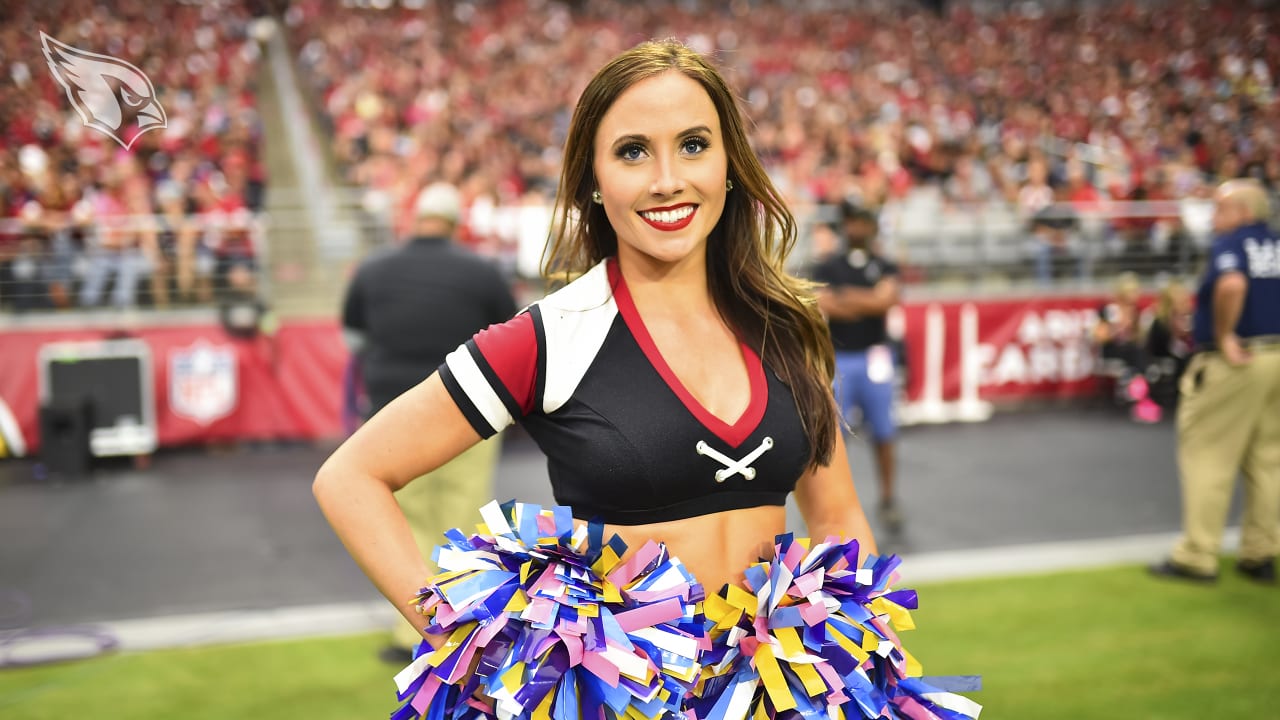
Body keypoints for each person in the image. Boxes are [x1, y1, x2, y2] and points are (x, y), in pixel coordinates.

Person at [314, 39, 889, 715]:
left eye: (695, 144)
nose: (667, 178)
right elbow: (350, 478)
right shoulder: (549, 337)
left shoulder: (785, 328)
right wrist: (467, 647)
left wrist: (863, 662)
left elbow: (839, 514)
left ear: (730, 163)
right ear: (592, 178)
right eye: (633, 151)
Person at [340, 180, 517, 661]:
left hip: (391, 419)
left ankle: (415, 636)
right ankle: (463, 637)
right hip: (469, 417)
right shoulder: (482, 272)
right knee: (460, 522)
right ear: (457, 223)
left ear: (416, 218)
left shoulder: (374, 269)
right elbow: (515, 340)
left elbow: (354, 338)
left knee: (408, 523)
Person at [1151, 179, 1280, 584]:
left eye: (1220, 208)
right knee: (1269, 460)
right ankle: (1260, 553)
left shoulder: (1233, 243)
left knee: (1207, 454)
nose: (1214, 217)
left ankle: (1197, 555)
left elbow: (1232, 284)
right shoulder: (1276, 245)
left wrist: (1224, 334)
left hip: (1237, 362)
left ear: (1243, 212)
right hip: (1275, 356)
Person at [811, 203, 904, 533]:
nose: (858, 228)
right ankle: (837, 504)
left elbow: (887, 301)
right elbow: (827, 304)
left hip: (876, 356)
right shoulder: (827, 266)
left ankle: (888, 498)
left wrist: (849, 298)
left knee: (885, 431)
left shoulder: (884, 263)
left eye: (863, 221)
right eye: (852, 222)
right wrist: (869, 300)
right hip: (841, 358)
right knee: (835, 436)